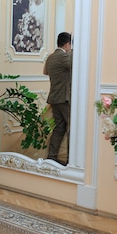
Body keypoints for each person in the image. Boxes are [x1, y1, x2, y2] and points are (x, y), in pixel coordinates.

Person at [43, 32, 73, 166]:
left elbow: (45, 72)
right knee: (71, 129)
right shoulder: (64, 57)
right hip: (64, 99)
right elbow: (73, 64)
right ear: (67, 44)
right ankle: (71, 159)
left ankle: (52, 156)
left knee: (59, 128)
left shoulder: (51, 57)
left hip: (54, 97)